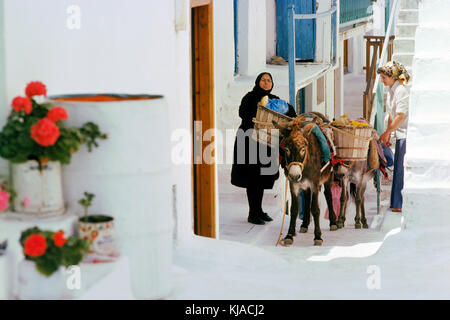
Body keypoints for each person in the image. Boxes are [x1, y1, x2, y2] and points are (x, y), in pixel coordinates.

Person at [231, 72, 296, 225]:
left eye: (269, 80)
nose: (266, 83)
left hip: (265, 143)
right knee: (252, 178)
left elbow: (290, 112)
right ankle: (252, 213)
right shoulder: (250, 97)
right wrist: (260, 110)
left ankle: (259, 210)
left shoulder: (274, 100)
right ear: (257, 82)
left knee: (260, 178)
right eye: (263, 80)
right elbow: (243, 113)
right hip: (248, 141)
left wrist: (283, 110)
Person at [377, 61, 411, 213]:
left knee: (400, 170)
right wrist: (388, 133)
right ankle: (396, 203)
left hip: (404, 134)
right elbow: (391, 115)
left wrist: (386, 133)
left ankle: (399, 204)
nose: (382, 80)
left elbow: (400, 116)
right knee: (397, 168)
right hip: (397, 134)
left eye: (384, 77)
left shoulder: (401, 91)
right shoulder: (391, 91)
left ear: (392, 77)